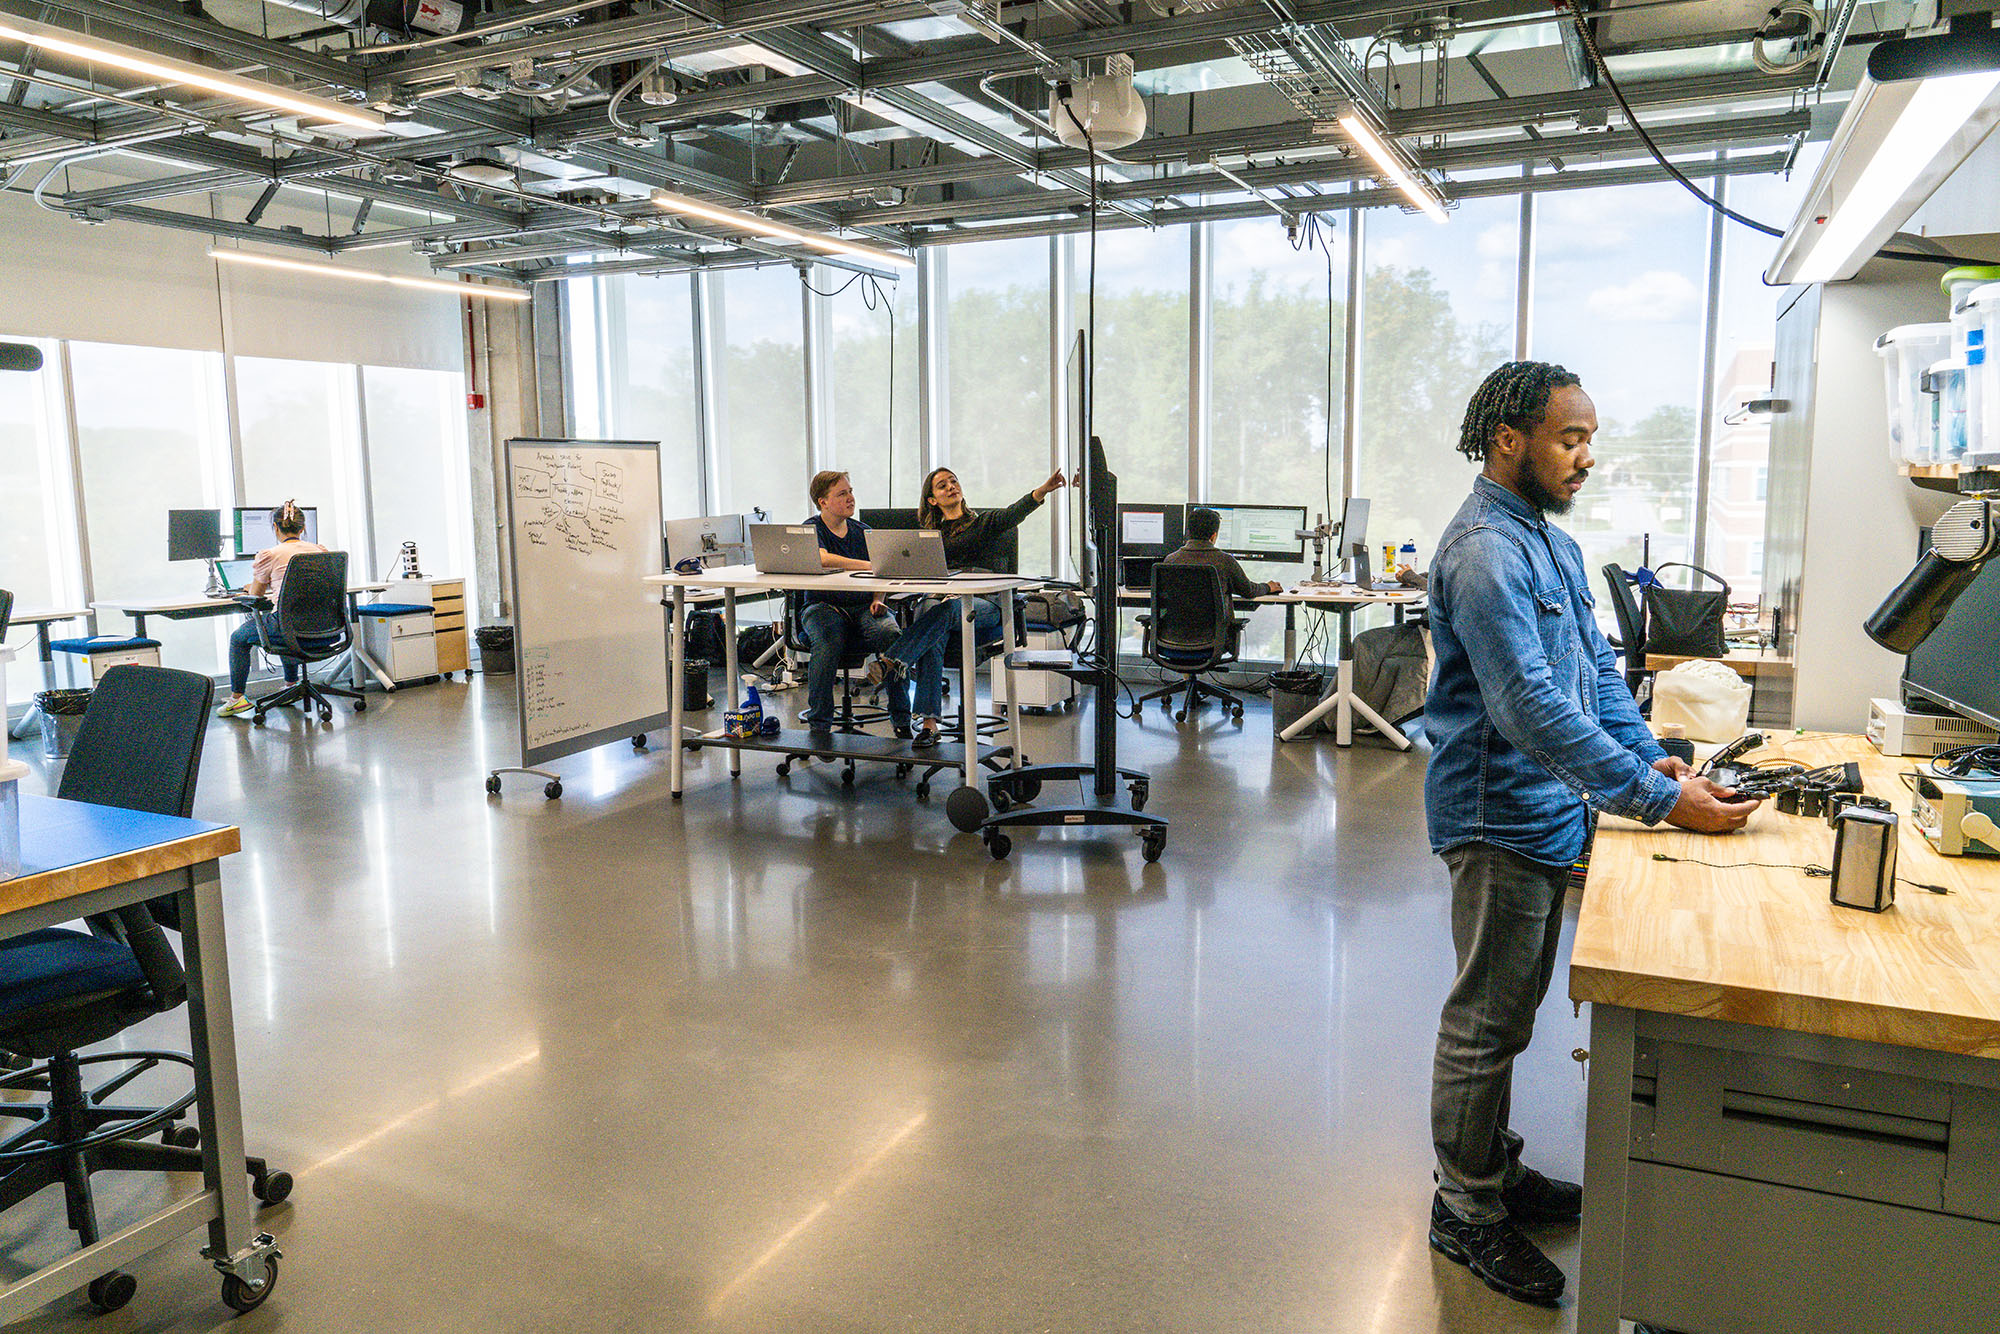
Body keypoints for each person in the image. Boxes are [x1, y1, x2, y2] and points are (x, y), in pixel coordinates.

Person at [1423, 361, 1760, 1307]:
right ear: (1509, 443)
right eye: (1570, 439)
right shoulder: (1485, 552)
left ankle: (1492, 1169)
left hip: (1550, 806)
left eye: (1589, 438)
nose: (1588, 457)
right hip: (1496, 814)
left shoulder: (1552, 546)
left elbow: (1594, 678)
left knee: (1516, 1011)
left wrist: (1649, 754)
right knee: (1486, 1021)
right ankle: (1464, 1208)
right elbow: (1527, 705)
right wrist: (1658, 804)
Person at [875, 466, 1065, 748]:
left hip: (985, 605)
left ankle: (895, 661)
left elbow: (1013, 513)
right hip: (943, 603)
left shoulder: (984, 523)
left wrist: (1042, 491)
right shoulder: (930, 538)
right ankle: (928, 724)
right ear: (932, 500)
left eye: (953, 481)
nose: (951, 486)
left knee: (946, 611)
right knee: (933, 617)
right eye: (942, 485)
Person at [799, 471, 912, 737]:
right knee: (827, 641)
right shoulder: (811, 528)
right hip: (823, 606)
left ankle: (902, 720)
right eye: (842, 494)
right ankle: (820, 726)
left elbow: (882, 572)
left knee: (891, 635)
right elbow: (822, 558)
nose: (851, 498)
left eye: (850, 491)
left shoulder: (863, 532)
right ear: (822, 501)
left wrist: (878, 598)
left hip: (864, 605)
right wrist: (868, 565)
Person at [215, 500, 329, 718]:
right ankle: (290, 685)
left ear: (276, 528)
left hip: (290, 629)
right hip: (324, 630)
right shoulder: (320, 551)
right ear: (303, 528)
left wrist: (252, 587)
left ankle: (237, 699)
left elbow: (255, 595)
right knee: (286, 620)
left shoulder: (270, 554)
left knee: (239, 638)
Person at [1162, 507, 1284, 598]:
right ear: (1213, 536)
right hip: (1213, 630)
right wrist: (1268, 587)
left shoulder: (1171, 560)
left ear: (1189, 532)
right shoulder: (1224, 560)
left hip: (1176, 630)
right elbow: (1248, 591)